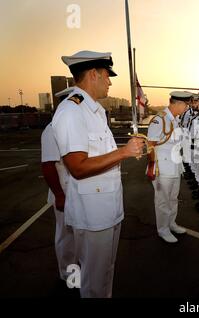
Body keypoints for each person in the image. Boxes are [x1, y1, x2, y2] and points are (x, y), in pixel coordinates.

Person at [51, 50, 145, 298]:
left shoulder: (95, 111)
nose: (110, 82)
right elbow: (78, 167)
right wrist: (124, 152)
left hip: (107, 208)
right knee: (93, 281)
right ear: (93, 74)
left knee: (105, 273)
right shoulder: (72, 112)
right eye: (107, 75)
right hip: (92, 215)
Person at [41, 87, 75, 286]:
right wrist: (59, 195)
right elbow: (47, 165)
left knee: (78, 235)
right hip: (64, 190)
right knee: (66, 236)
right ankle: (69, 275)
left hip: (78, 191)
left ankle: (79, 269)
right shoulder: (52, 129)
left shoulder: (73, 127)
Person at [146, 91, 191, 243]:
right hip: (162, 169)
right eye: (185, 105)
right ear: (177, 103)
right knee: (162, 201)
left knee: (173, 198)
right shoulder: (159, 120)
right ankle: (163, 229)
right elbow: (150, 145)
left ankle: (171, 223)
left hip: (175, 167)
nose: (186, 108)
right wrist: (151, 166)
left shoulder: (175, 119)